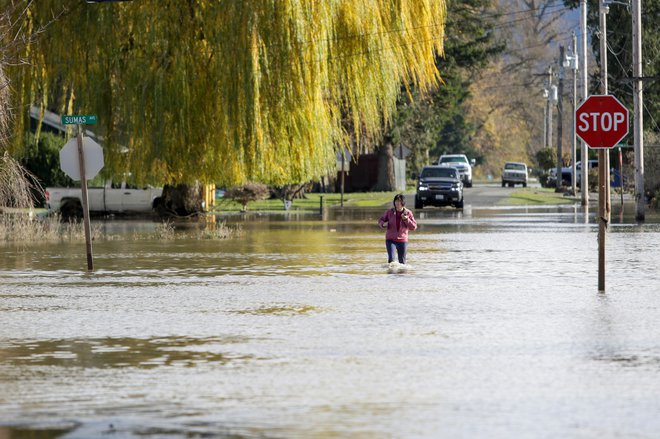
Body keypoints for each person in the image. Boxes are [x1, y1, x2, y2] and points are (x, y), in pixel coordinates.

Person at [378, 194, 417, 264]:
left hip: (402, 240)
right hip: (390, 240)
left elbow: (413, 227)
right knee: (391, 260)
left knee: (402, 262)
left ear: (403, 203)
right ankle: (391, 274)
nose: (397, 203)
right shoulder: (389, 212)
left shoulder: (408, 213)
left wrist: (406, 219)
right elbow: (381, 220)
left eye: (399, 201)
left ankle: (401, 274)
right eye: (396, 201)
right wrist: (383, 224)